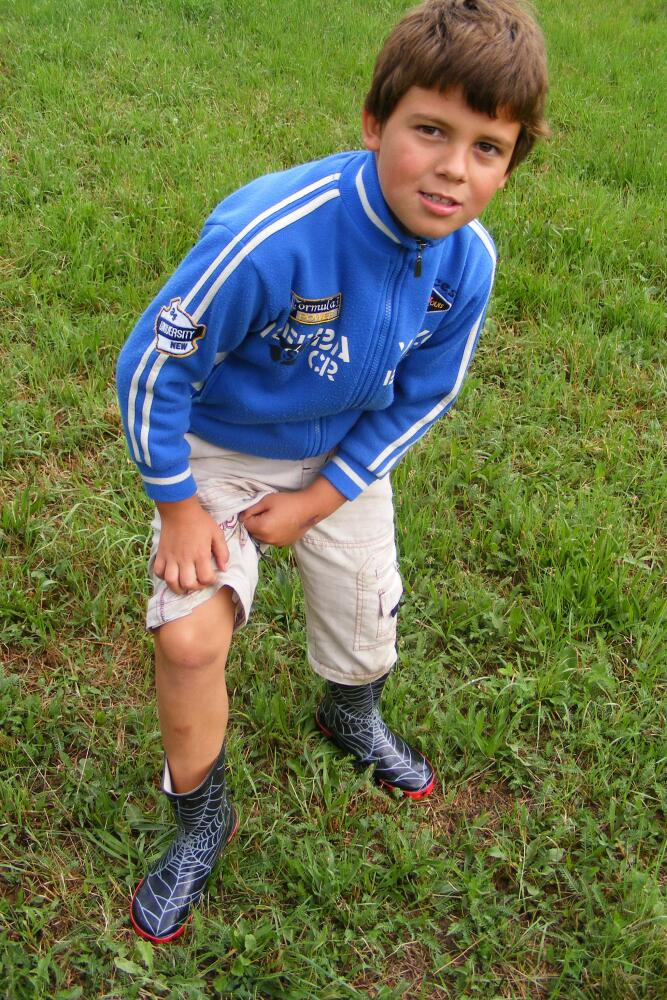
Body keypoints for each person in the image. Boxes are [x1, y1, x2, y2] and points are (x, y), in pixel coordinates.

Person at [117, 0, 548, 943]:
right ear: (373, 123)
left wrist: (320, 497)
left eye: (486, 148)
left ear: (510, 163)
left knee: (366, 621)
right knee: (187, 640)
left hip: (340, 456)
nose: (453, 168)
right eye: (429, 130)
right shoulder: (272, 234)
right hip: (218, 452)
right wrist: (179, 506)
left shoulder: (467, 262)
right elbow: (152, 366)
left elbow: (422, 397)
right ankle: (201, 815)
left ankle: (348, 714)